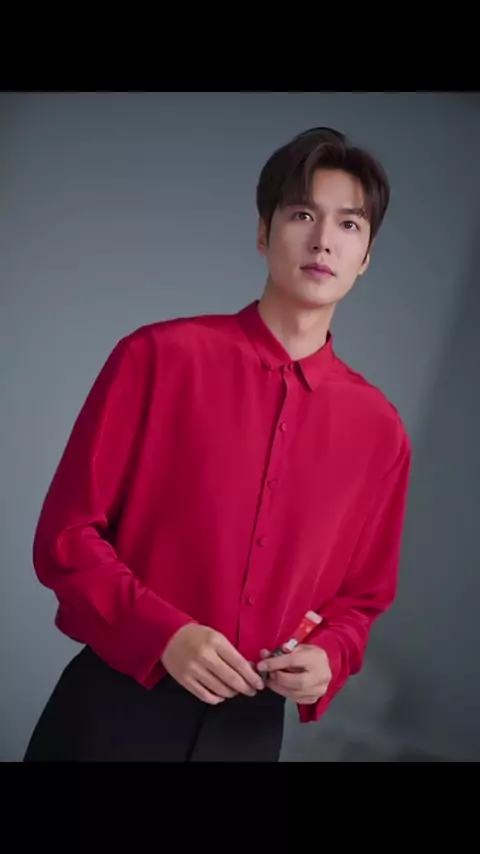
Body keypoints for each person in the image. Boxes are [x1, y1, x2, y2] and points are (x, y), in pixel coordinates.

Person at [23, 126, 411, 762]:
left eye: (349, 224)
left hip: (250, 736)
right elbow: (67, 538)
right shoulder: (155, 358)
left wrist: (330, 656)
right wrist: (163, 634)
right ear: (263, 232)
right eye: (303, 214)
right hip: (114, 707)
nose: (323, 240)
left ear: (366, 255)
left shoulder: (380, 431)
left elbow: (361, 599)